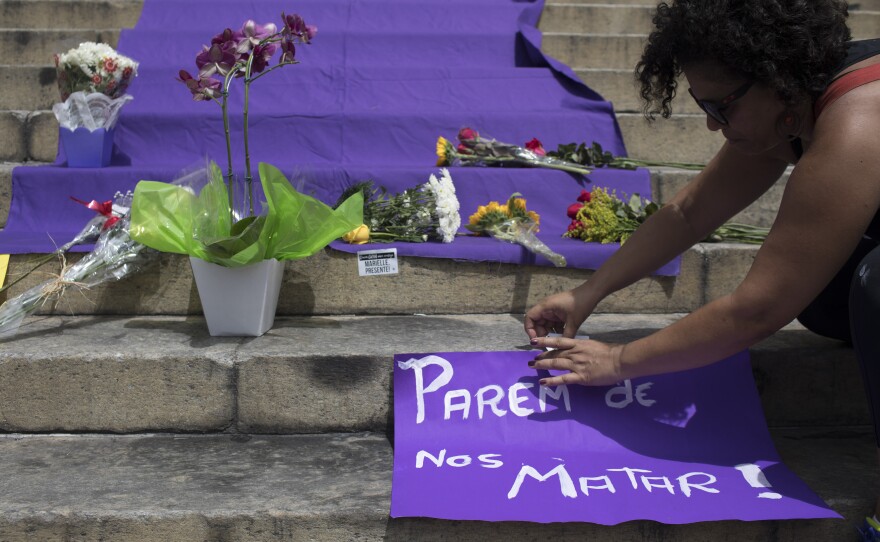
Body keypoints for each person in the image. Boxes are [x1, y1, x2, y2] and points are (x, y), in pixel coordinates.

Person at [523, 0, 880, 537]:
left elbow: (758, 310)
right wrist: (586, 294)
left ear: (776, 80)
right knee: (829, 294)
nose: (714, 127)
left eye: (722, 108)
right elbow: (690, 211)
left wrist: (619, 360)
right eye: (702, 106)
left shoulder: (859, 120)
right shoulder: (788, 104)